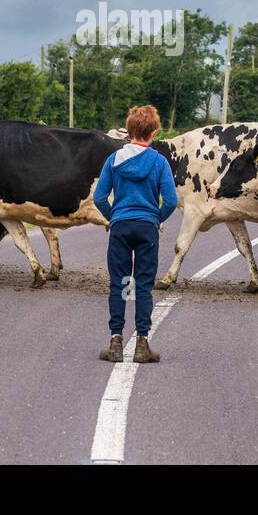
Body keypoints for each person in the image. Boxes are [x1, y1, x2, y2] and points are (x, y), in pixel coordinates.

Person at [93, 104, 178, 364]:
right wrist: (155, 218)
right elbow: (171, 201)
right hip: (146, 228)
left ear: (129, 131)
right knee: (143, 285)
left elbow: (99, 197)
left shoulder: (114, 160)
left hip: (120, 227)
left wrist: (114, 216)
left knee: (119, 284)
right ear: (153, 132)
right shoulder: (159, 161)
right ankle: (142, 343)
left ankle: (115, 342)